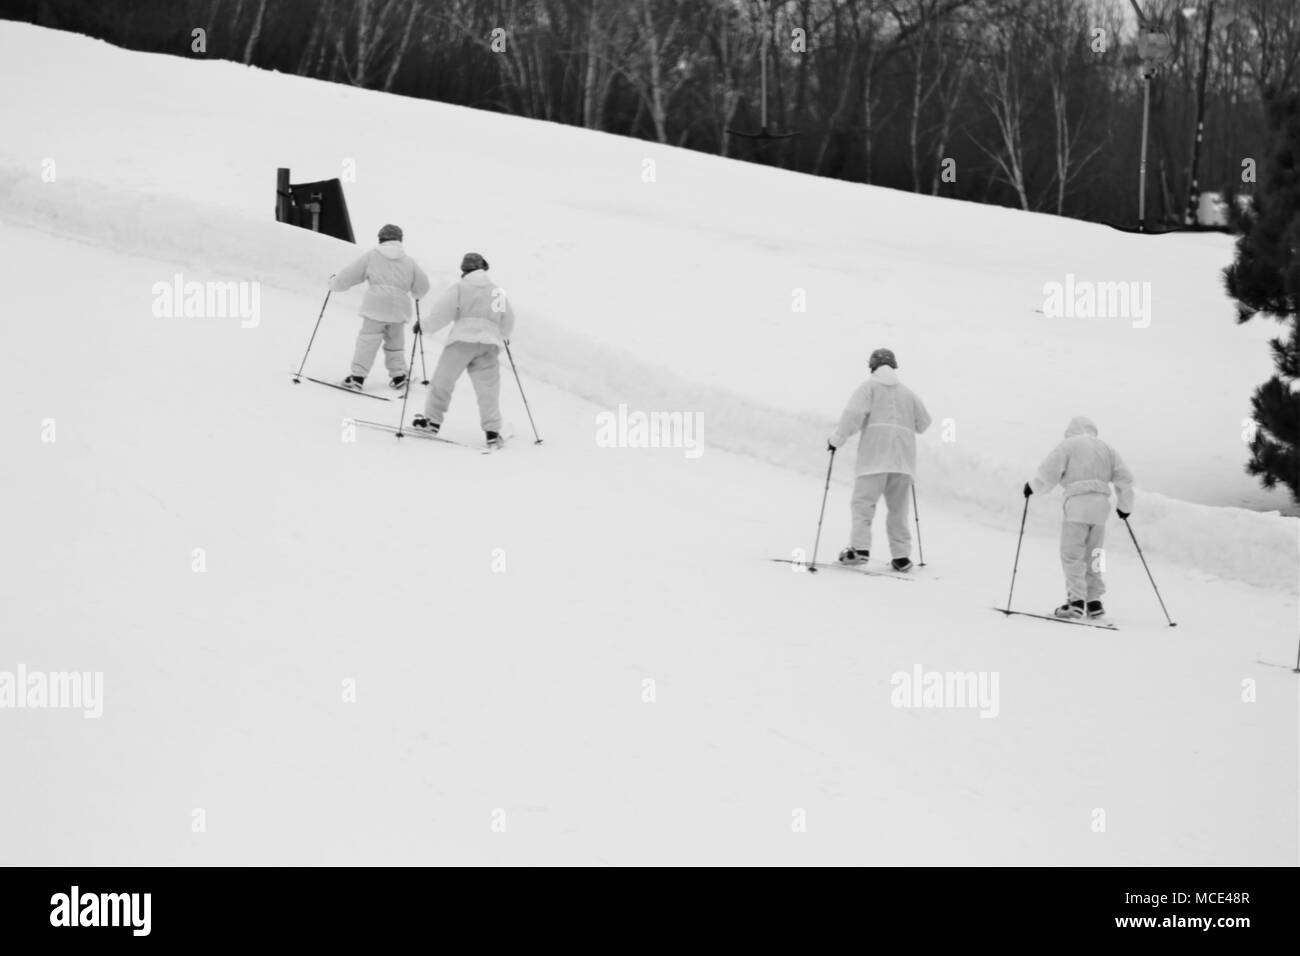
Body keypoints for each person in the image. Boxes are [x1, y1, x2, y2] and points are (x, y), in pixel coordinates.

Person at [828, 348, 931, 572]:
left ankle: (859, 549)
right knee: (899, 511)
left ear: (872, 367)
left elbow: (853, 415)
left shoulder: (869, 388)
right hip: (903, 463)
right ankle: (902, 556)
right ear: (894, 367)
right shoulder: (908, 394)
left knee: (863, 505)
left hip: (873, 460)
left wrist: (837, 439)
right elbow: (924, 423)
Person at [1024, 416, 1135, 619]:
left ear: (1070, 430)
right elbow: (1125, 478)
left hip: (1077, 505)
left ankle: (1076, 601)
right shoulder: (1107, 449)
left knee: (1072, 554)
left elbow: (1049, 471)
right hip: (1101, 507)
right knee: (1095, 554)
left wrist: (1033, 486)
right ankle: (1094, 601)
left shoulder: (1068, 445)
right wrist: (1125, 506)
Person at [411, 253, 516, 449]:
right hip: (488, 344)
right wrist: (502, 335)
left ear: (464, 270)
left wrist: (424, 326)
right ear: (484, 268)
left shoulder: (460, 287)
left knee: (443, 380)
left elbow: (443, 312)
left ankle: (432, 422)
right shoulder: (497, 291)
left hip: (462, 341)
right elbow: (508, 319)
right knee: (488, 389)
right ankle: (492, 432)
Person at [331, 224, 430, 391]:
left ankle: (357, 378)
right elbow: (423, 287)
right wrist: (416, 294)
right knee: (395, 343)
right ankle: (399, 376)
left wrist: (334, 283)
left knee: (368, 341)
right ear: (400, 240)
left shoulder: (373, 255)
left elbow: (349, 275)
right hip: (399, 308)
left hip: (376, 305)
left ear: (381, 239)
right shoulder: (409, 261)